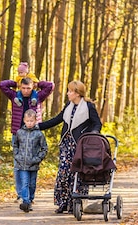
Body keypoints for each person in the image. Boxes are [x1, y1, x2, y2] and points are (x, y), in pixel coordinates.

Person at [38, 80, 102, 213]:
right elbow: (57, 119)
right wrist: (38, 126)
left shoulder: (89, 106)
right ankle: (63, 203)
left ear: (78, 93)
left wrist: (93, 133)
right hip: (66, 144)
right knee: (63, 173)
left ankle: (76, 204)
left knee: (77, 174)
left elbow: (97, 124)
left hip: (81, 145)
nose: (68, 93)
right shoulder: (69, 106)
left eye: (70, 91)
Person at [0, 75, 54, 202]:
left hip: (34, 133)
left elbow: (50, 86)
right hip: (18, 134)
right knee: (18, 165)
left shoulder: (38, 97)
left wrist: (36, 83)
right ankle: (21, 194)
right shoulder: (14, 96)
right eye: (23, 88)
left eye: (28, 88)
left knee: (33, 163)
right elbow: (2, 84)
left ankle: (30, 193)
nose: (25, 90)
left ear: (32, 87)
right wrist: (16, 81)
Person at [13, 109, 48, 212]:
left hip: (33, 164)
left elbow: (44, 148)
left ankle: (30, 199)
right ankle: (26, 202)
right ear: (24, 120)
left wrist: (37, 159)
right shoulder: (19, 132)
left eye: (31, 121)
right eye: (27, 121)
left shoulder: (39, 134)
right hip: (22, 164)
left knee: (32, 184)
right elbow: (15, 145)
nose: (29, 123)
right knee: (25, 183)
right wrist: (17, 156)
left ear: (35, 121)